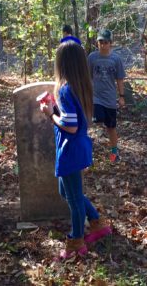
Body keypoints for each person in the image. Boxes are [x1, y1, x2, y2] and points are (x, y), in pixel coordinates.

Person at [39, 41, 112, 259]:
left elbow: (69, 125)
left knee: (74, 200)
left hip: (69, 149)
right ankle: (97, 224)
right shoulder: (79, 86)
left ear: (62, 64)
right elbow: (73, 118)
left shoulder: (64, 88)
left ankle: (76, 242)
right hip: (77, 147)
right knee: (68, 193)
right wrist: (55, 107)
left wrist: (49, 113)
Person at [88, 29, 125, 163]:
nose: (103, 45)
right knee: (98, 118)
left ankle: (114, 152)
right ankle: (88, 147)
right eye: (100, 42)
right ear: (97, 43)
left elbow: (120, 79)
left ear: (111, 43)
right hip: (95, 96)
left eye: (106, 42)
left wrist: (121, 96)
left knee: (111, 127)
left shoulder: (116, 59)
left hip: (110, 98)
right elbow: (87, 76)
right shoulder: (92, 57)